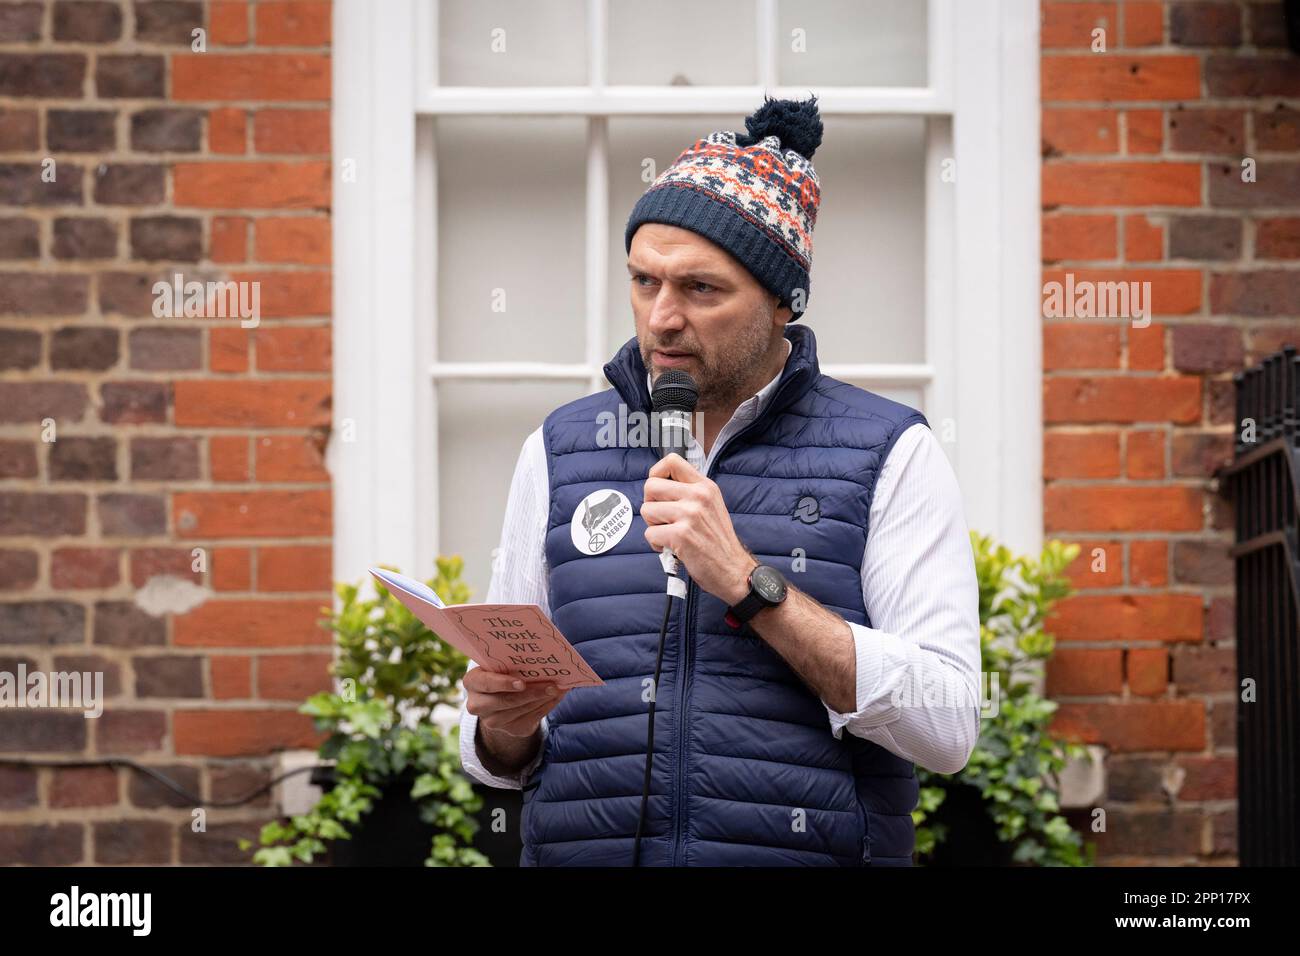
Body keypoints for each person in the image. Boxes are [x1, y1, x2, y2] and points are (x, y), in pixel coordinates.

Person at [458, 95, 981, 866]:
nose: (662, 318)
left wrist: (746, 581)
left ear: (780, 301)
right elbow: (500, 755)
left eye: (701, 289)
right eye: (644, 282)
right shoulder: (560, 448)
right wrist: (502, 725)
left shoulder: (890, 452)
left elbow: (946, 727)